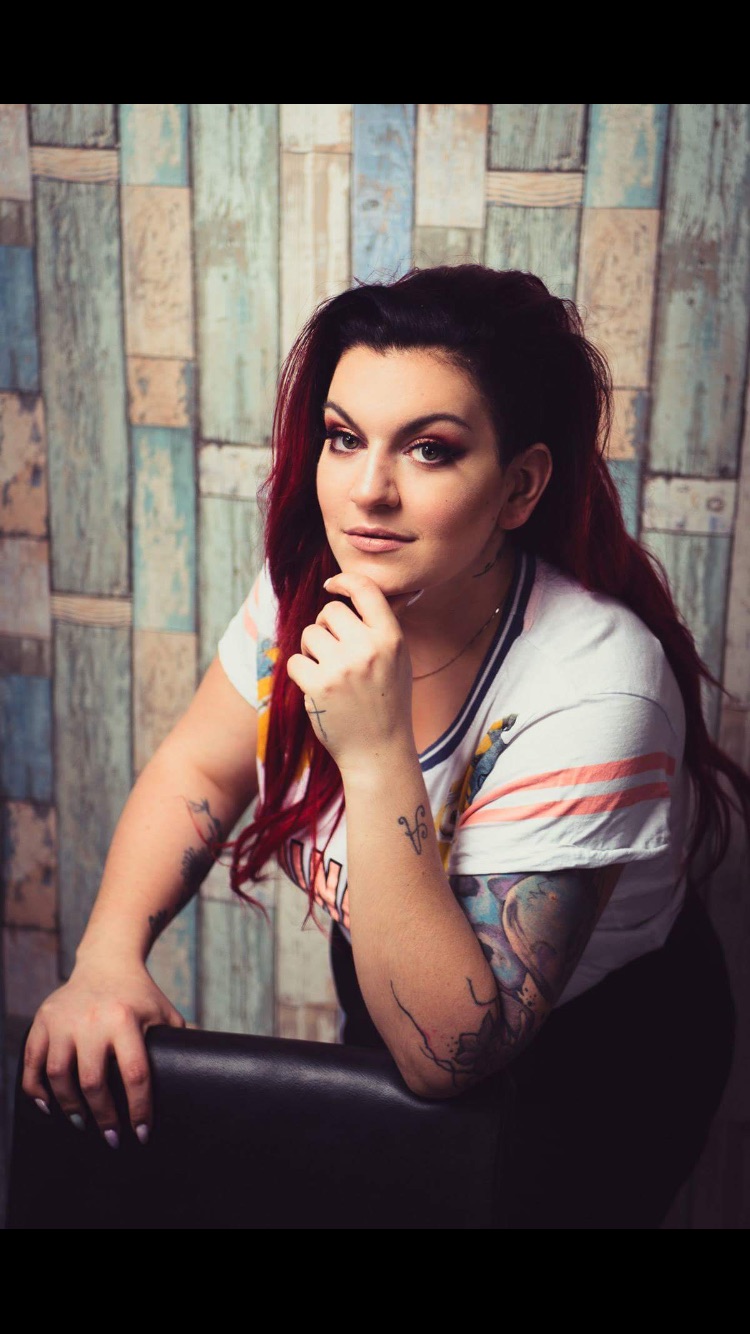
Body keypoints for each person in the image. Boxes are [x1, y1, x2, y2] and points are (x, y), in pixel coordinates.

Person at [22, 266, 745, 1227]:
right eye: (344, 437)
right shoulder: (313, 591)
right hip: (398, 979)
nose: (368, 492)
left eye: (431, 450)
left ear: (520, 485)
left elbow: (452, 1056)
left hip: (596, 1069)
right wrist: (108, 958)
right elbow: (200, 765)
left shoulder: (600, 688)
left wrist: (373, 753)